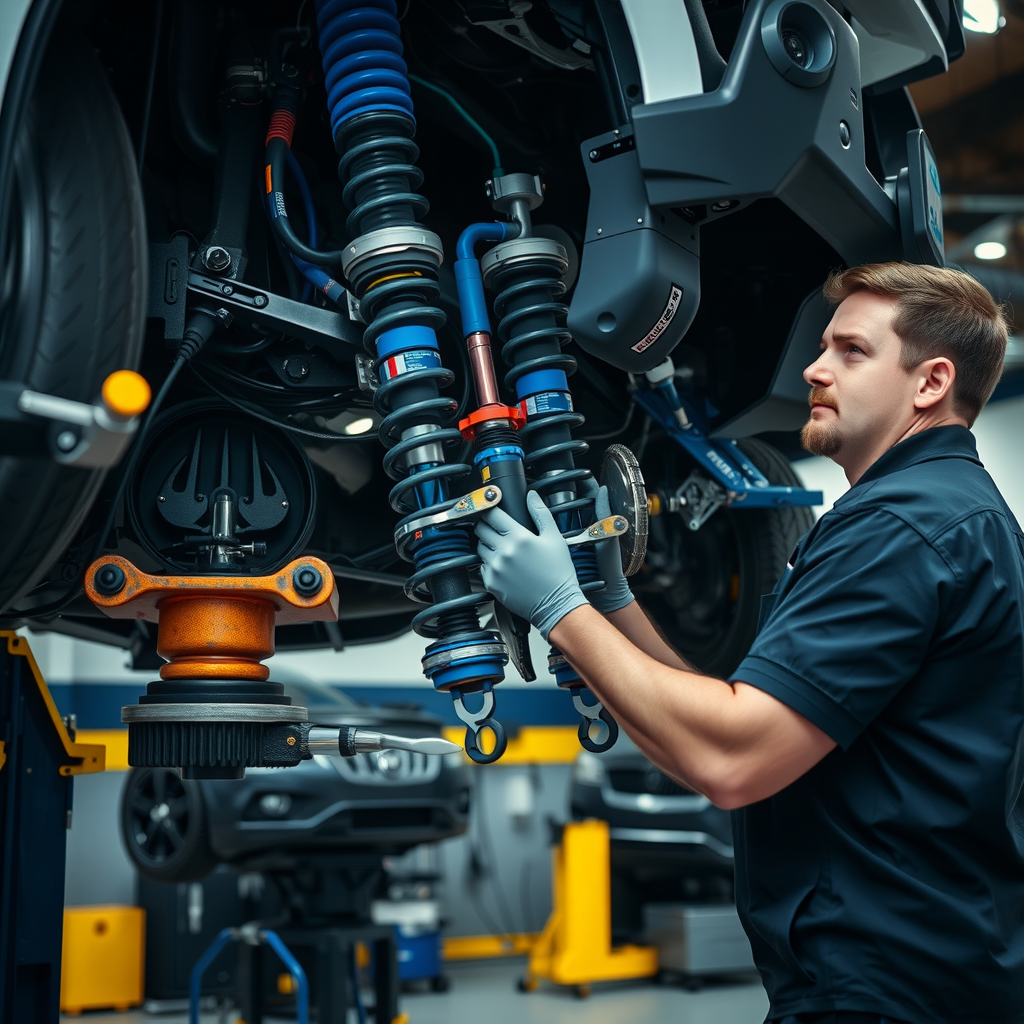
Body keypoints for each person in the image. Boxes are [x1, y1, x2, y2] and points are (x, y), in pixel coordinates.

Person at [475, 262, 1024, 1024]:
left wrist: (562, 610)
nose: (814, 367)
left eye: (851, 351)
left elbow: (734, 758)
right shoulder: (930, 515)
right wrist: (610, 604)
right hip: (907, 977)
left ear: (930, 382)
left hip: (887, 990)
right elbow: (721, 725)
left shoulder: (904, 528)